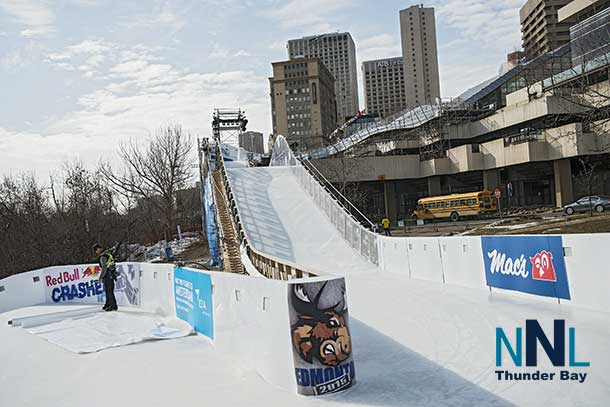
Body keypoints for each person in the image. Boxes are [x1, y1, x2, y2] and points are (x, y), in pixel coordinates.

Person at [93, 243, 118, 312]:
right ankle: (108, 304)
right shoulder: (108, 254)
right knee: (109, 290)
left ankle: (112, 306)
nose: (96, 252)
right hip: (112, 275)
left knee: (109, 291)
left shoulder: (103, 256)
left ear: (98, 249)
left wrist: (100, 278)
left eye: (96, 250)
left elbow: (104, 268)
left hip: (108, 275)